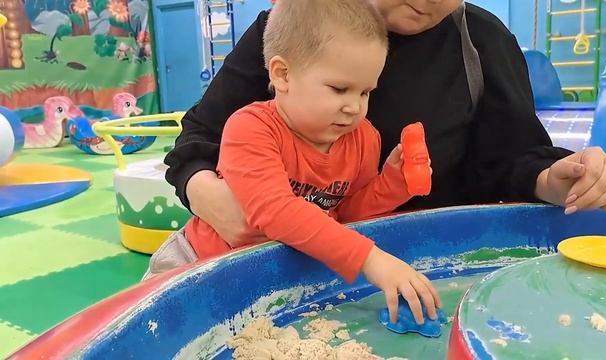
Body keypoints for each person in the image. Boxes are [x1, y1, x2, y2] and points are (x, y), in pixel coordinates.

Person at [146, 0, 442, 326]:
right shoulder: (251, 129)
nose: (353, 107)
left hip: (272, 276)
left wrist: (392, 184)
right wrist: (370, 259)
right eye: (340, 89)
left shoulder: (363, 139)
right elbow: (274, 211)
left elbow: (346, 215)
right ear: (282, 74)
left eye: (365, 92)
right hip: (198, 263)